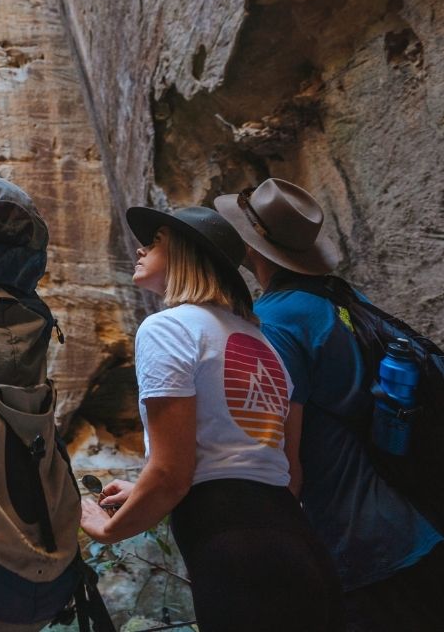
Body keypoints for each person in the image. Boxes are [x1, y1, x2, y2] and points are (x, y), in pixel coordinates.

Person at [78, 204, 344, 632]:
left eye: (157, 240)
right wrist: (145, 488)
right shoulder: (263, 344)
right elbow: (284, 472)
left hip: (234, 555)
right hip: (298, 543)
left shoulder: (167, 328)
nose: (141, 248)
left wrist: (108, 530)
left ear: (187, 254)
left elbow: (170, 474)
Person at [214, 178, 444, 631]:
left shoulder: (277, 322)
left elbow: (285, 466)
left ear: (249, 246)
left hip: (364, 543)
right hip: (417, 519)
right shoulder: (340, 297)